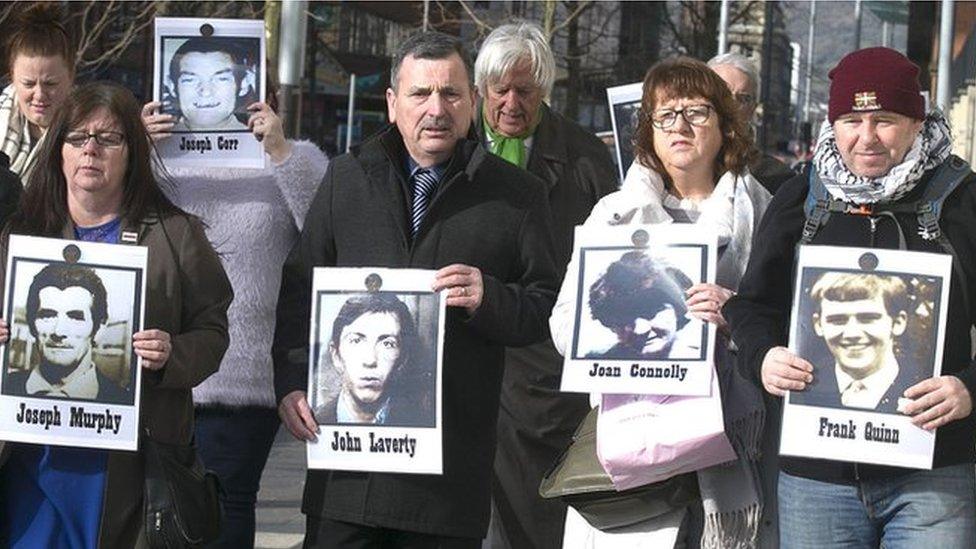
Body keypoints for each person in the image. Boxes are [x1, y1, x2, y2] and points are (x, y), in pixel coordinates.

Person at [273, 30, 557, 548]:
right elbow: (299, 289)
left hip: (446, 483)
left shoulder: (517, 196)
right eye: (420, 94)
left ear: (472, 101)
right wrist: (291, 383)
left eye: (450, 94)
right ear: (392, 103)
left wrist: (489, 297)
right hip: (346, 478)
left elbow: (547, 306)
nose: (436, 109)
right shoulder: (346, 179)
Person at [724, 47, 976, 548]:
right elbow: (752, 306)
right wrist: (764, 357)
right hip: (818, 479)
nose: (866, 138)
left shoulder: (961, 201)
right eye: (851, 119)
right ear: (831, 122)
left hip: (933, 477)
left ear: (916, 121)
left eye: (884, 120)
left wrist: (971, 388)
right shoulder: (804, 198)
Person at [549, 57, 773, 548]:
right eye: (665, 114)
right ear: (647, 130)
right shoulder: (612, 215)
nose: (680, 126)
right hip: (633, 443)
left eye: (695, 111)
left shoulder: (763, 212)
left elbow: (784, 329)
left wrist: (735, 318)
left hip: (730, 448)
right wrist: (609, 339)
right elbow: (564, 326)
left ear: (725, 124)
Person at [0, 82, 232, 548]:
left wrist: (173, 353)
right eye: (77, 137)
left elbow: (214, 328)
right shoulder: (21, 233)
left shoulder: (175, 235)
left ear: (132, 151)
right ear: (59, 152)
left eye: (107, 139)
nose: (90, 150)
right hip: (30, 462)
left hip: (128, 470)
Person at [142, 82, 327, 548]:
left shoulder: (289, 158)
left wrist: (281, 150)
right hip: (157, 367)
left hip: (244, 377)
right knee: (153, 508)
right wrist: (136, 147)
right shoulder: (159, 154)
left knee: (228, 505)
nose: (208, 93)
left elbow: (327, 231)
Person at [472, 22, 618, 549]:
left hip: (540, 365)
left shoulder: (585, 161)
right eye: (500, 90)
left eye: (525, 91)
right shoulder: (448, 141)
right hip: (458, 346)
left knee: (530, 515)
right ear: (481, 89)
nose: (512, 102)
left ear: (544, 92)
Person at [3, 263, 130, 404]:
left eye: (75, 317)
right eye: (47, 315)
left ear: (99, 328)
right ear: (32, 325)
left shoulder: (122, 401)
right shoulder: (5, 387)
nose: (59, 331)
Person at [792, 273, 919, 413]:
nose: (852, 334)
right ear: (818, 325)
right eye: (837, 320)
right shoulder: (801, 385)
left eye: (868, 319)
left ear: (898, 323)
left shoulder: (925, 387)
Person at [315, 293, 432, 427]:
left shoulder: (423, 424)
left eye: (387, 344)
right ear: (336, 356)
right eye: (356, 341)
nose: (370, 360)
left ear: (402, 359)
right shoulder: (312, 423)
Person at [0, 3, 75, 181]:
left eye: (50, 84)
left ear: (71, 77)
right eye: (28, 84)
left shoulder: (90, 138)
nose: (39, 95)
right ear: (13, 77)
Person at [707, 52, 795, 194]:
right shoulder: (675, 162)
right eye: (723, 94)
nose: (732, 104)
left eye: (743, 98)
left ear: (753, 108)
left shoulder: (777, 178)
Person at [586, 251, 695, 360]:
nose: (639, 330)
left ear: (677, 311)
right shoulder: (595, 362)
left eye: (649, 313)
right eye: (624, 320)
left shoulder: (703, 363)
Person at [166, 37, 256, 132]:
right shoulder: (159, 140)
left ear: (243, 85)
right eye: (190, 80)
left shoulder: (260, 142)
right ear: (172, 86)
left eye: (221, 79)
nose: (206, 92)